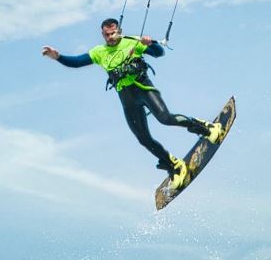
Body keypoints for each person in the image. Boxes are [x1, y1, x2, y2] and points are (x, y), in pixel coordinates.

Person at [41, 18, 222, 190]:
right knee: (143, 138)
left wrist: (151, 43)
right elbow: (77, 62)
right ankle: (174, 165)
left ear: (119, 31)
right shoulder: (99, 52)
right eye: (107, 35)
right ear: (103, 35)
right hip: (127, 100)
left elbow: (159, 54)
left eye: (113, 33)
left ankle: (206, 127)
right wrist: (58, 56)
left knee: (165, 118)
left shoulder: (132, 41)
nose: (111, 37)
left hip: (144, 89)